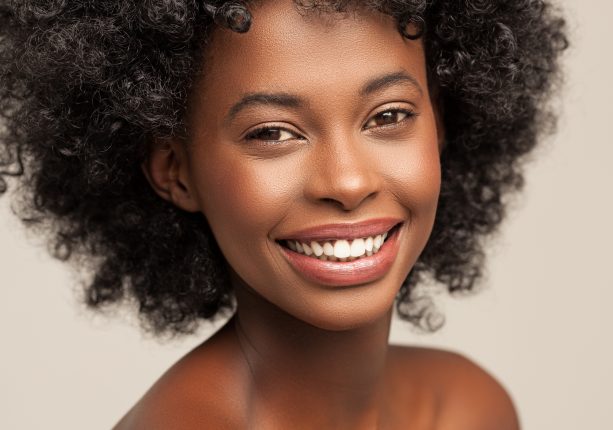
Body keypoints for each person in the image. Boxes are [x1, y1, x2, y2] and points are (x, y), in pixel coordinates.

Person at [0, 0, 567, 428]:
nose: (347, 182)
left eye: (389, 116)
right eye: (272, 132)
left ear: (441, 124)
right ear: (176, 170)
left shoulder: (466, 409)